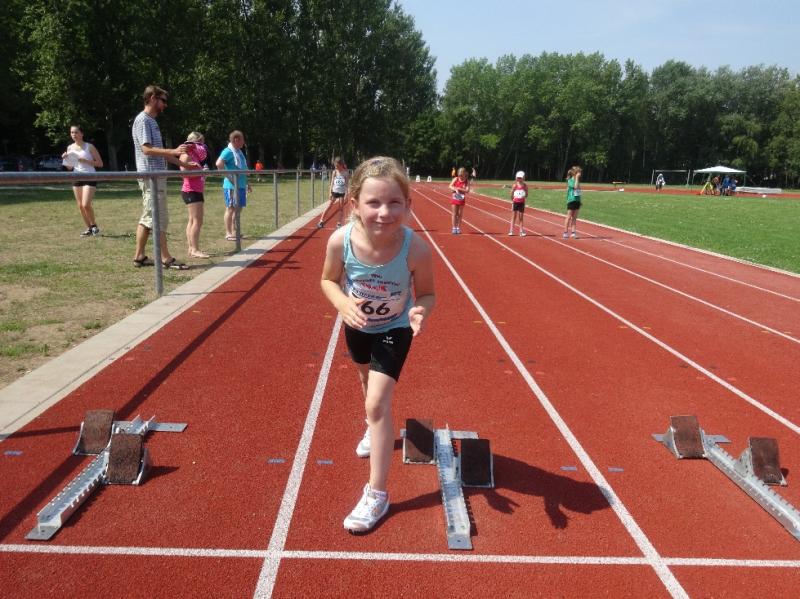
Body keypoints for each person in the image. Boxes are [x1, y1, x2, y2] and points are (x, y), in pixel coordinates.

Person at [320, 156, 435, 532]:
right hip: (357, 325)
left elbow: (428, 293)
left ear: (408, 204)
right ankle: (375, 428)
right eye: (374, 203)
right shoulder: (340, 241)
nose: (384, 212)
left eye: (394, 203)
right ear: (354, 204)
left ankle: (377, 493)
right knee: (365, 382)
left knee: (377, 403)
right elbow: (328, 281)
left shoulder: (415, 249)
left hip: (395, 328)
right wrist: (343, 304)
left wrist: (420, 310)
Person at [131, 85, 191, 269]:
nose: (165, 105)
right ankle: (166, 258)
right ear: (152, 98)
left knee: (149, 217)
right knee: (157, 217)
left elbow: (161, 153)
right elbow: (147, 149)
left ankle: (140, 256)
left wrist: (185, 165)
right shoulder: (143, 120)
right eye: (163, 100)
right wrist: (173, 150)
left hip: (156, 176)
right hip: (151, 177)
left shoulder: (152, 121)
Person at [63, 124, 103, 237]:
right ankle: (89, 229)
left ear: (82, 133)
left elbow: (100, 163)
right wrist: (66, 159)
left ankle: (94, 226)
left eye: (76, 132)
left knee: (86, 204)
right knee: (80, 205)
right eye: (72, 132)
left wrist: (84, 160)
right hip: (76, 177)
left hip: (90, 176)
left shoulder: (89, 147)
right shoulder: (70, 148)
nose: (74, 135)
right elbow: (70, 167)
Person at [216, 130, 252, 241]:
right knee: (230, 208)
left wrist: (247, 183)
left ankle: (235, 232)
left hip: (240, 185)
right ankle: (228, 233)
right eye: (242, 139)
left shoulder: (239, 152)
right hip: (231, 186)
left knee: (238, 209)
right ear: (236, 140)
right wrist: (230, 177)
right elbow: (219, 164)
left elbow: (243, 169)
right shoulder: (228, 151)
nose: (244, 142)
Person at [180, 132, 209, 259]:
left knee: (193, 220)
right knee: (197, 220)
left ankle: (191, 248)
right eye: (200, 142)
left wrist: (202, 173)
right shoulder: (185, 156)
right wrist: (201, 172)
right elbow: (185, 174)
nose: (202, 145)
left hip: (196, 190)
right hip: (190, 190)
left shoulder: (195, 155)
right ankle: (195, 249)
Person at [317, 156, 349, 228]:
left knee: (341, 208)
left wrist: (346, 193)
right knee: (329, 206)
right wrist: (330, 192)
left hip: (342, 192)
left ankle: (339, 223)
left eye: (337, 166)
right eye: (335, 166)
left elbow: (347, 184)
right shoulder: (334, 172)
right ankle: (321, 221)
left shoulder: (346, 173)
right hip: (335, 191)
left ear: (341, 165)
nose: (336, 167)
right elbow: (331, 182)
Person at [448, 167, 470, 234]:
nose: (460, 176)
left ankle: (458, 228)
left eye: (461, 175)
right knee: (454, 214)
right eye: (459, 175)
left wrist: (459, 189)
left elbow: (467, 190)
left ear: (464, 174)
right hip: (455, 197)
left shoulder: (467, 181)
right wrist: (455, 189)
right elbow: (450, 186)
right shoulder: (456, 179)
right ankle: (454, 228)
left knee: (460, 214)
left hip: (461, 198)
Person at [563, 165, 582, 239]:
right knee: (568, 217)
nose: (580, 174)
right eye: (579, 172)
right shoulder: (570, 180)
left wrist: (580, 200)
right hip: (571, 200)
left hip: (577, 200)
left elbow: (578, 191)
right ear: (575, 173)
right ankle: (565, 232)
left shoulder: (577, 181)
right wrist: (576, 178)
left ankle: (573, 233)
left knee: (574, 217)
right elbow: (575, 187)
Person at [508, 171, 528, 236]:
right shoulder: (515, 185)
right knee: (514, 217)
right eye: (518, 178)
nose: (519, 179)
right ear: (516, 178)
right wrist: (512, 200)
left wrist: (524, 195)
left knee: (521, 218)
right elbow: (511, 193)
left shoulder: (525, 186)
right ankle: (511, 231)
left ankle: (521, 231)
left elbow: (526, 194)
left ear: (523, 178)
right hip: (515, 202)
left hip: (522, 203)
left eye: (520, 178)